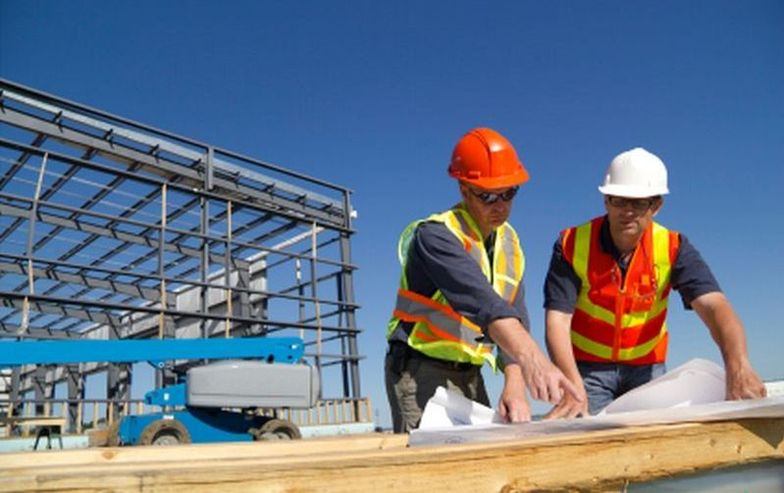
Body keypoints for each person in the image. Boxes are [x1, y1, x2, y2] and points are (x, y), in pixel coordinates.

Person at [543, 147, 767, 418]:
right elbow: (558, 320)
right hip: (587, 370)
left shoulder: (674, 247)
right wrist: (571, 383)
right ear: (606, 201)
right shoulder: (570, 244)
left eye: (638, 203)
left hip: (647, 369)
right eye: (619, 200)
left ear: (656, 206)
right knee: (589, 442)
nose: (627, 212)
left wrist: (738, 366)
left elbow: (714, 306)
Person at [385, 127, 580, 433]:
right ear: (464, 189)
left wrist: (514, 382)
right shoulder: (435, 236)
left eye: (509, 193)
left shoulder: (509, 243)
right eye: (488, 195)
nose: (500, 205)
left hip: (471, 372)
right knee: (432, 472)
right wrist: (535, 360)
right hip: (419, 368)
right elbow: (484, 303)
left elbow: (514, 312)